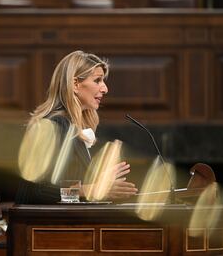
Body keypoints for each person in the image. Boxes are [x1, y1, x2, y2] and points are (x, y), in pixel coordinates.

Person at [15, 50, 137, 204]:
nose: (105, 89)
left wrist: (98, 180)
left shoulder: (70, 127)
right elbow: (38, 191)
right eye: (97, 80)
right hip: (40, 227)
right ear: (75, 84)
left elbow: (65, 186)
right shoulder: (54, 125)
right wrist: (93, 189)